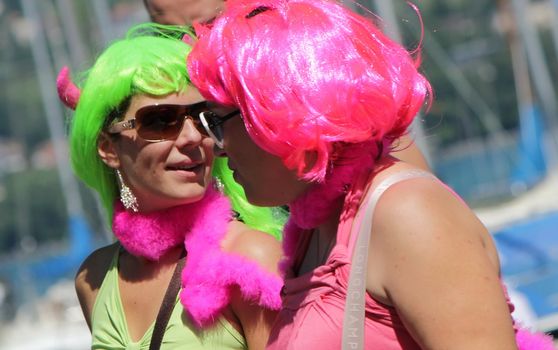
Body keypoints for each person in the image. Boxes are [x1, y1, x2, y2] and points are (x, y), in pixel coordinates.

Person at [186, 0, 555, 349]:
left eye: (217, 121)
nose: (217, 146)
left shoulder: (404, 212)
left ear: (278, 113)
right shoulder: (314, 230)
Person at [57, 25, 284, 349]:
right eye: (161, 120)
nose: (193, 137)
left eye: (202, 117)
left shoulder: (249, 258)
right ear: (109, 148)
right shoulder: (93, 279)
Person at [142, 0, 431, 171]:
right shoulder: (173, 125)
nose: (196, 49)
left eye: (213, 25)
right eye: (172, 37)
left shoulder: (338, 112)